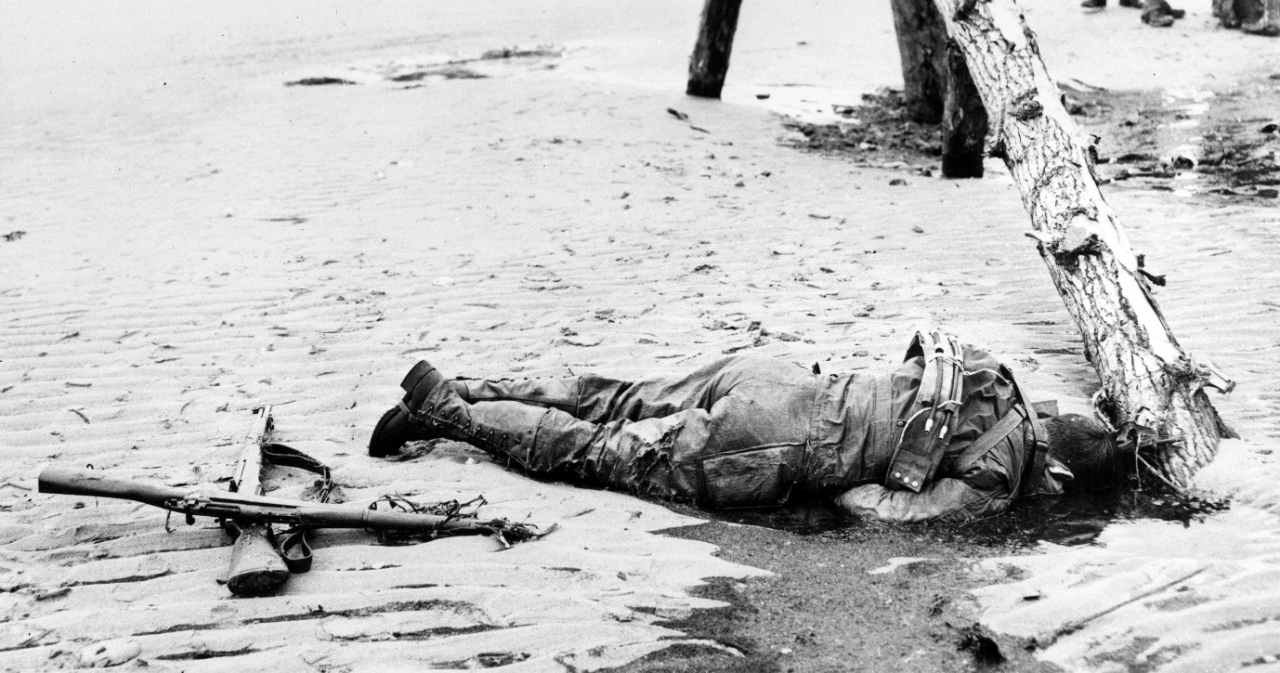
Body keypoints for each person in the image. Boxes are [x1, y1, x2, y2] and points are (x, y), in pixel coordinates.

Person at [367, 332, 1121, 523]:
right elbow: (874, 512)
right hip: (777, 447)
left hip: (776, 376)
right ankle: (446, 410)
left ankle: (470, 382)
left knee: (619, 397)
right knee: (601, 455)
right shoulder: (996, 479)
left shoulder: (994, 376)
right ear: (1055, 474)